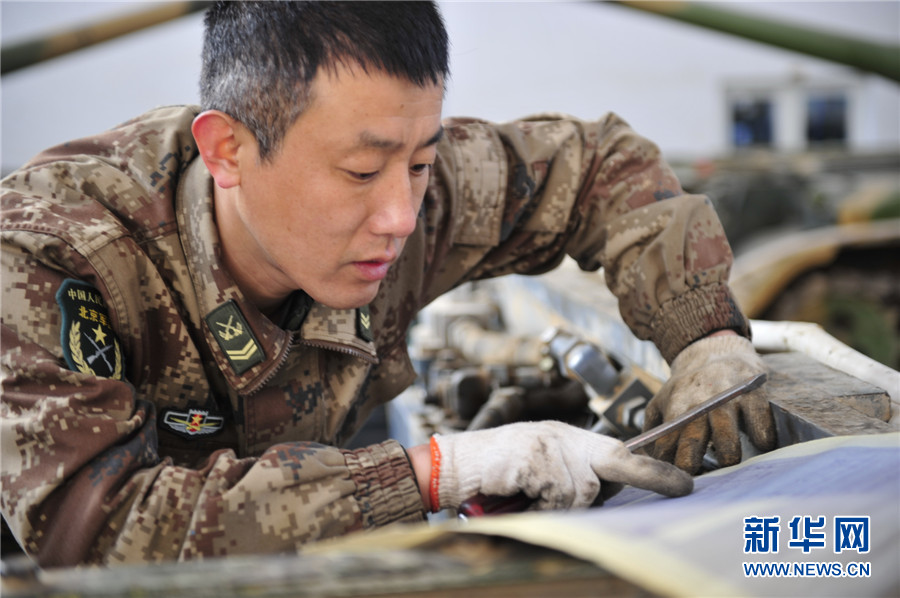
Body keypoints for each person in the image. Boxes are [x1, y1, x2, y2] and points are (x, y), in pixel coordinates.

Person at [1, 1, 774, 567]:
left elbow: (600, 166)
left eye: (421, 162)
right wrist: (443, 471)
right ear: (227, 150)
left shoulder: (406, 195)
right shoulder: (48, 257)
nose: (401, 217)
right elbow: (94, 533)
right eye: (362, 171)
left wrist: (703, 334)